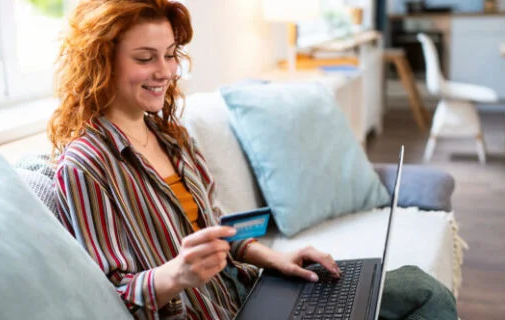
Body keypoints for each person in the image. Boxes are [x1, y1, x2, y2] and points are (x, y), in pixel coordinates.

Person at [49, 1, 458, 319]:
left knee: (421, 290)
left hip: (248, 293)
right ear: (101, 60)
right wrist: (179, 274)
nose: (165, 71)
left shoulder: (171, 137)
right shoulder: (87, 164)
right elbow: (111, 295)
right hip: (206, 313)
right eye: (145, 58)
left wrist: (278, 259)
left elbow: (218, 232)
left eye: (171, 54)